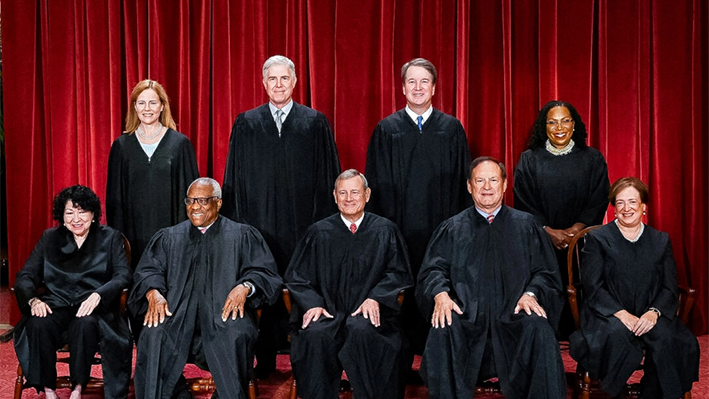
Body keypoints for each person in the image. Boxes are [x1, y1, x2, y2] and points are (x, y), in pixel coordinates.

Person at [221, 55, 340, 377]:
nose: (278, 84)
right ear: (263, 83)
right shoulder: (246, 122)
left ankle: (304, 361)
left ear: (294, 82)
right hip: (258, 224)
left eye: (284, 78)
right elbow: (234, 176)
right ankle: (265, 360)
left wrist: (323, 226)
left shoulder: (314, 122)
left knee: (302, 287)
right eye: (272, 79)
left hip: (303, 224)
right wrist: (238, 225)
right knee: (261, 284)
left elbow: (328, 176)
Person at [417, 156, 566, 399]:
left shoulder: (526, 225)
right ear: (469, 186)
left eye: (493, 180)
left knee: (539, 328)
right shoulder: (452, 228)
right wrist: (440, 294)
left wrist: (531, 294)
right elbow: (432, 270)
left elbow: (545, 272)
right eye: (480, 180)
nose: (487, 187)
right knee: (442, 327)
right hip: (465, 317)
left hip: (514, 315)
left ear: (505, 184)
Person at [128, 178, 282, 399]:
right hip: (177, 318)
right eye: (190, 201)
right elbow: (147, 271)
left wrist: (245, 286)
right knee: (154, 334)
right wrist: (154, 292)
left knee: (236, 335)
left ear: (218, 203)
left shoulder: (241, 235)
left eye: (202, 200)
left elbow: (264, 272)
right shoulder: (169, 237)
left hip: (224, 317)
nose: (195, 207)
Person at [365, 57, 472, 363]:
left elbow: (463, 182)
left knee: (440, 282)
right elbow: (376, 183)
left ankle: (438, 353)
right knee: (401, 284)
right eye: (411, 81)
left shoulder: (451, 129)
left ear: (435, 87)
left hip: (442, 228)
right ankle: (399, 355)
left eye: (424, 81)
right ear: (402, 88)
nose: (418, 87)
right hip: (398, 227)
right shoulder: (387, 129)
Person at [285, 169, 413, 399]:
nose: (349, 198)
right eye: (342, 193)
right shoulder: (318, 232)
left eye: (355, 192)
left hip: (370, 313)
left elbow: (398, 273)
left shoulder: (385, 230)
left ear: (367, 194)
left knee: (364, 332)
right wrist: (312, 304)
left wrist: (376, 297)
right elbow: (297, 277)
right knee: (315, 336)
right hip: (328, 313)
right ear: (334, 196)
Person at [570, 177, 699, 399]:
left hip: (650, 313)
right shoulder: (598, 239)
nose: (626, 208)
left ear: (643, 207)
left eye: (632, 202)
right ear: (614, 208)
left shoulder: (660, 240)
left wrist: (654, 312)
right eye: (620, 203)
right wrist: (621, 314)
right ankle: (616, 394)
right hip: (608, 314)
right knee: (616, 335)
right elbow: (593, 286)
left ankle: (652, 394)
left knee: (669, 339)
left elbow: (669, 287)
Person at [13, 185, 132, 399]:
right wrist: (33, 301)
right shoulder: (49, 238)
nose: (76, 218)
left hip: (93, 308)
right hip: (56, 304)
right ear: (62, 215)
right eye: (69, 212)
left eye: (82, 211)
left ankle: (78, 388)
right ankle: (49, 390)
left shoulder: (111, 237)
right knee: (38, 323)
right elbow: (25, 275)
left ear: (93, 214)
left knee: (85, 324)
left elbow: (123, 275)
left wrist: (99, 295)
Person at [513, 100, 609, 338]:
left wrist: (576, 230)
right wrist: (548, 231)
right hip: (541, 240)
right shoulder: (529, 159)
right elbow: (523, 200)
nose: (559, 127)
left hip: (583, 243)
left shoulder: (592, 158)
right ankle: (546, 333)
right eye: (552, 122)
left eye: (565, 120)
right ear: (543, 127)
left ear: (574, 125)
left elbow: (599, 197)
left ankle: (583, 333)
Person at [107, 79, 199, 270]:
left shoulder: (180, 144)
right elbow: (114, 200)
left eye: (153, 102)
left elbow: (192, 197)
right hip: (134, 236)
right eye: (141, 103)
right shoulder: (122, 146)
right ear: (134, 106)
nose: (147, 108)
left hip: (173, 237)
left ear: (162, 106)